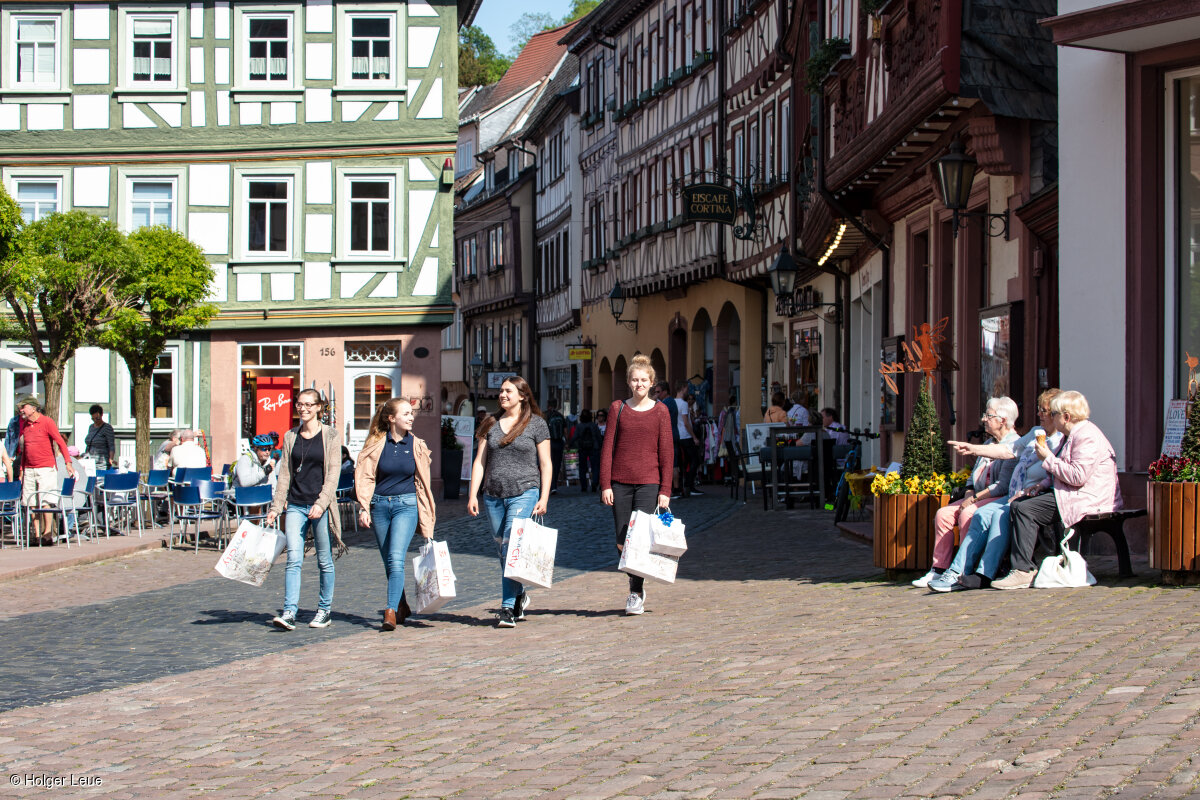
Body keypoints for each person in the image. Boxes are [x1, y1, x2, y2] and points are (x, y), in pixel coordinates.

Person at [991, 390, 1123, 590]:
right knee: (1020, 504)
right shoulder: (1071, 436)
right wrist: (1042, 485)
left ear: (1066, 417)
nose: (1050, 417)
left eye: (1053, 414)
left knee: (1025, 509)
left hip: (1088, 498)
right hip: (1072, 493)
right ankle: (1021, 567)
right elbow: (1062, 472)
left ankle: (1023, 570)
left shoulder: (1086, 436)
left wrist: (1047, 458)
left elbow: (1078, 476)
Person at [939, 389, 1064, 591]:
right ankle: (957, 571)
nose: (1039, 414)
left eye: (1044, 410)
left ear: (1056, 414)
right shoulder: (1035, 432)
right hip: (1014, 494)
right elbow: (1008, 450)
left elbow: (1055, 472)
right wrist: (974, 449)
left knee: (996, 515)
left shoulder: (1060, 440)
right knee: (981, 515)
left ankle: (986, 573)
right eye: (1039, 409)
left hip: (1033, 495)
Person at [467, 376, 552, 628]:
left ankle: (507, 607)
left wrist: (544, 496)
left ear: (523, 395)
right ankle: (519, 594)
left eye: (508, 391)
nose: (503, 395)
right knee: (503, 551)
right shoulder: (490, 423)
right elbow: (480, 462)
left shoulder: (536, 425)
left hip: (525, 491)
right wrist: (473, 494)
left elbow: (545, 463)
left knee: (510, 545)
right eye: (501, 391)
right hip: (493, 495)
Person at [913, 397, 1020, 589]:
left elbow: (1002, 485)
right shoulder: (988, 443)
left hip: (996, 497)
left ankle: (964, 570)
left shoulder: (1013, 445)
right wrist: (970, 492)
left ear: (1002, 420)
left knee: (968, 514)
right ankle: (938, 569)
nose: (984, 419)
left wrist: (975, 499)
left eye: (988, 415)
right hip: (977, 495)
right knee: (943, 514)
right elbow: (972, 477)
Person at [355, 398, 437, 631]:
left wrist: (426, 514)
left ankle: (389, 610)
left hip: (406, 505)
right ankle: (402, 605)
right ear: (391, 418)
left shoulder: (417, 445)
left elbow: (423, 483)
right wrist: (364, 506)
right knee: (388, 562)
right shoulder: (377, 444)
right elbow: (366, 477)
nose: (411, 417)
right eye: (405, 414)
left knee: (396, 557)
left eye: (412, 413)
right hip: (380, 506)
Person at [266, 389, 344, 630]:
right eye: (300, 404)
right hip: (296, 505)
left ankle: (324, 610)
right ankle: (289, 611)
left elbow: (333, 474)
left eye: (309, 405)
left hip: (320, 505)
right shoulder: (290, 436)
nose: (304, 409)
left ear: (319, 407)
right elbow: (285, 475)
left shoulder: (330, 435)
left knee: (324, 560)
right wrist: (276, 507)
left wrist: (321, 504)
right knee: (293, 559)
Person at [601, 355, 674, 616]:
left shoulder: (661, 411)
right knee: (622, 539)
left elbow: (666, 452)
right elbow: (607, 447)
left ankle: (636, 590)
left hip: (649, 483)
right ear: (629, 382)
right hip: (620, 482)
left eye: (644, 380)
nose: (639, 384)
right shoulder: (617, 408)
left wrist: (665, 490)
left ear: (652, 382)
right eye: (635, 379)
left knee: (639, 540)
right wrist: (605, 484)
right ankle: (634, 582)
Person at [16, 395, 75, 545]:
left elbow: (60, 442)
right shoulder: (25, 425)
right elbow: (25, 450)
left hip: (46, 468)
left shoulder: (47, 422)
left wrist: (68, 462)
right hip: (29, 469)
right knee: (31, 502)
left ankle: (47, 534)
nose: (21, 410)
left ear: (34, 408)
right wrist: (22, 470)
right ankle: (37, 535)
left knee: (46, 501)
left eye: (24, 407)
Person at [653, 381, 682, 497]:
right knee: (672, 463)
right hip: (672, 435)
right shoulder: (668, 402)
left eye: (658, 392)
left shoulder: (667, 402)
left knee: (672, 464)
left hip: (670, 436)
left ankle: (675, 489)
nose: (657, 394)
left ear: (665, 392)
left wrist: (653, 400)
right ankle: (675, 488)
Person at [675, 382, 703, 496]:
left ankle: (684, 485)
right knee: (695, 460)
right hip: (686, 436)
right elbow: (686, 423)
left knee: (683, 462)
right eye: (686, 388)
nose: (688, 391)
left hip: (678, 435)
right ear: (682, 388)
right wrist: (694, 437)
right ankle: (689, 485)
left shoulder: (673, 402)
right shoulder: (683, 404)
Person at [568, 409, 602, 492]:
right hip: (594, 448)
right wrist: (601, 446)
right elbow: (599, 437)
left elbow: (575, 437)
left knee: (582, 468)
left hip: (582, 448)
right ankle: (594, 483)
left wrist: (569, 445)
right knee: (595, 467)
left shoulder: (579, 426)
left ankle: (584, 486)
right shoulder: (594, 425)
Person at [83, 405, 117, 470]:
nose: (95, 421)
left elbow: (111, 445)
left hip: (101, 463)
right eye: (93, 419)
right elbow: (89, 444)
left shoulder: (107, 428)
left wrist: (111, 458)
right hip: (90, 462)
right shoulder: (91, 427)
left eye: (97, 418)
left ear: (101, 415)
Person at [544, 398, 567, 495]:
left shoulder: (545, 415)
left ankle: (548, 485)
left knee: (546, 464)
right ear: (556, 405)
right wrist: (567, 442)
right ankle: (554, 486)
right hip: (558, 442)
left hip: (547, 443)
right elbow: (565, 430)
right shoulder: (560, 416)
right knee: (556, 465)